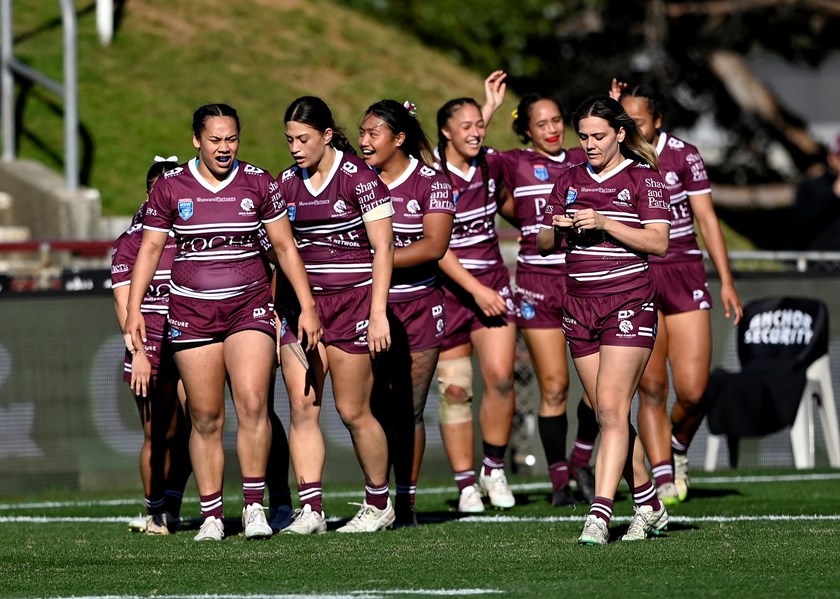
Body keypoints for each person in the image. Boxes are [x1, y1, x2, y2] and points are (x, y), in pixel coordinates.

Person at [124, 104, 322, 542]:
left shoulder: (259, 182)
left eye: (231, 139)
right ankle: (212, 514)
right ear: (197, 140)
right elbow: (151, 250)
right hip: (191, 313)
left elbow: (285, 248)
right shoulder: (171, 187)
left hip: (247, 308)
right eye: (215, 140)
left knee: (253, 403)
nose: (224, 148)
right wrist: (135, 309)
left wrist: (307, 304)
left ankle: (254, 507)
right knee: (206, 417)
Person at [537, 95, 671, 545]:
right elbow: (542, 244)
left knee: (613, 410)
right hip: (578, 305)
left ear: (619, 133)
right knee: (606, 412)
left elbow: (658, 244)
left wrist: (606, 222)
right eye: (584, 137)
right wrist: (556, 226)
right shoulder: (569, 177)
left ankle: (599, 514)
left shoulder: (642, 178)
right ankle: (650, 503)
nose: (590, 144)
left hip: (627, 301)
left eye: (598, 136)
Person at [611, 80, 743, 504]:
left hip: (684, 270)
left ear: (659, 121)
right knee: (651, 387)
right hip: (639, 271)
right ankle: (664, 475)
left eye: (639, 122)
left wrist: (726, 280)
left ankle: (678, 447)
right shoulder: (618, 156)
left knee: (693, 390)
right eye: (624, 121)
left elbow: (706, 219)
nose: (630, 129)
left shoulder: (684, 154)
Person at [275, 96, 396, 534]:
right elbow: (278, 252)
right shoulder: (285, 183)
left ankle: (379, 503)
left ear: (327, 135)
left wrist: (379, 312)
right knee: (302, 407)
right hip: (302, 307)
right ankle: (312, 510)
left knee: (352, 410)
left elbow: (384, 248)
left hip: (353, 304)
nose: (295, 147)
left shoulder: (358, 178)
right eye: (289, 139)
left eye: (303, 138)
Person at [488, 87, 600, 507]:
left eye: (557, 121)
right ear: (526, 131)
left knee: (599, 390)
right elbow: (470, 163)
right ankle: (559, 483)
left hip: (584, 282)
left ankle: (582, 458)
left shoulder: (581, 157)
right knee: (554, 386)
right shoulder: (514, 163)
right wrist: (486, 109)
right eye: (542, 124)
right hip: (537, 283)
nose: (553, 130)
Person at [359, 99, 455, 525]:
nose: (363, 142)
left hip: (419, 305)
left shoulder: (432, 182)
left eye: (372, 133)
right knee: (374, 407)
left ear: (398, 139)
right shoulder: (356, 181)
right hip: (367, 307)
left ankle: (407, 502)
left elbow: (435, 246)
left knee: (410, 409)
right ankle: (376, 501)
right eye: (361, 133)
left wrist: (376, 258)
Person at [434, 96, 517, 512]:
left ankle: (493, 468)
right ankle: (466, 484)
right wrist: (475, 290)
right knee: (454, 390)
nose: (475, 131)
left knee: (502, 378)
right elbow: (436, 246)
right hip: (447, 291)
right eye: (464, 126)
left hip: (492, 283)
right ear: (445, 132)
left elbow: (509, 203)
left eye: (479, 124)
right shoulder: (429, 172)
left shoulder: (493, 162)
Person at [112, 156, 192, 535]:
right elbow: (125, 308)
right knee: (156, 433)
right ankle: (155, 511)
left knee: (199, 423)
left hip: (192, 337)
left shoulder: (193, 234)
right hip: (150, 344)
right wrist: (139, 354)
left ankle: (180, 504)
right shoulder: (130, 243)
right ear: (149, 194)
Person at [791, 132, 840, 251]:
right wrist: (833, 194)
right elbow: (800, 222)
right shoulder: (814, 188)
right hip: (820, 262)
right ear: (832, 159)